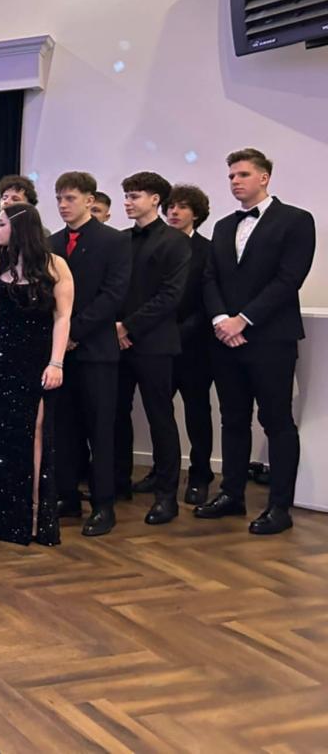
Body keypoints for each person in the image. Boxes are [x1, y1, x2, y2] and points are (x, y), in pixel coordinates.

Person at [196, 149, 316, 535]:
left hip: (271, 338)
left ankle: (280, 507)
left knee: (276, 421)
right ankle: (231, 494)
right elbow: (209, 278)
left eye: (243, 174)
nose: (235, 181)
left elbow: (288, 279)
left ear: (264, 177)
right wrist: (221, 320)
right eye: (231, 175)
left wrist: (242, 320)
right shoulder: (223, 226)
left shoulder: (296, 220)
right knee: (232, 419)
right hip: (224, 339)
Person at [0, 204, 74, 545]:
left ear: (19, 228)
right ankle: (0, 517)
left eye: (1, 224)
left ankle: (30, 518)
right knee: (2, 435)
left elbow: (63, 317)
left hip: (36, 360)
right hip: (2, 359)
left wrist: (56, 362)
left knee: (34, 433)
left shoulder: (55, 265)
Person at [49, 171, 131, 537]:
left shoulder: (113, 241)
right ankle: (67, 496)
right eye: (59, 199)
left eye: (70, 198)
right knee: (63, 429)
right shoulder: (51, 242)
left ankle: (103, 505)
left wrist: (73, 332)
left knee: (100, 430)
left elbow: (113, 295)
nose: (63, 205)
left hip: (95, 350)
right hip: (60, 353)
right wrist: (59, 337)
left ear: (89, 200)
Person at [110, 172, 190, 525]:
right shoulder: (120, 239)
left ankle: (166, 497)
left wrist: (128, 326)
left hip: (154, 342)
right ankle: (117, 483)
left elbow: (171, 296)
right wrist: (116, 326)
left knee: (160, 418)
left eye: (135, 196)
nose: (128, 202)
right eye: (126, 196)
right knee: (115, 413)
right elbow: (113, 288)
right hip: (117, 341)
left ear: (156, 199)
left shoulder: (175, 241)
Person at [156, 184, 215, 504]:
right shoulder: (157, 245)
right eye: (170, 207)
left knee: (197, 413)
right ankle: (161, 471)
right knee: (159, 413)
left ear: (196, 213)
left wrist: (180, 332)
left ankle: (200, 475)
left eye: (181, 207)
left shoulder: (208, 250)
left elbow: (208, 299)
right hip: (157, 344)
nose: (174, 212)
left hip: (194, 346)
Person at [0, 175, 39, 273]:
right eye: (4, 197)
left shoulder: (41, 234)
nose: (6, 202)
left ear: (29, 205)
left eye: (15, 199)